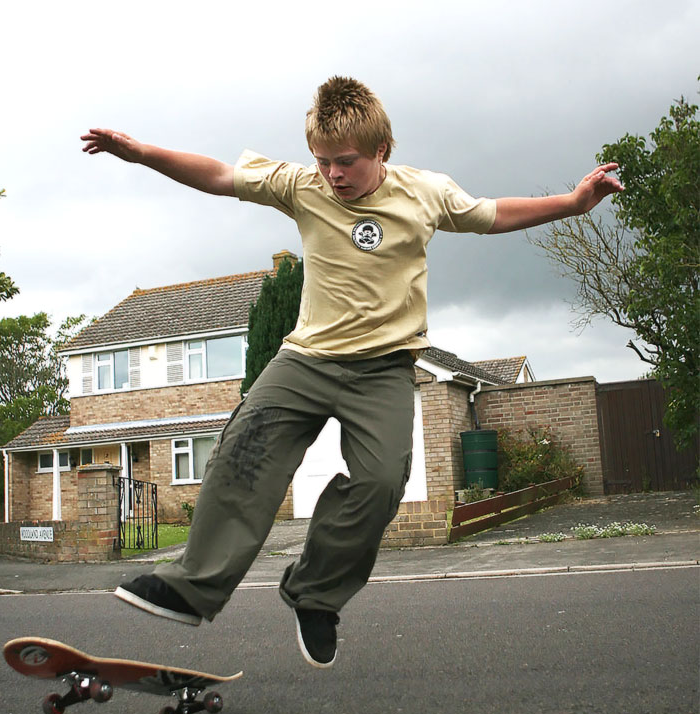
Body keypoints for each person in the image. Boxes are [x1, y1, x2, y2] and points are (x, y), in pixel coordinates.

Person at [81, 76, 622, 668]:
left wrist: (572, 204)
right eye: (323, 162)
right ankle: (190, 584)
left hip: (385, 370)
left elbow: (493, 215)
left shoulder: (426, 193)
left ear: (381, 150)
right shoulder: (301, 185)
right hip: (306, 359)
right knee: (243, 451)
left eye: (347, 162)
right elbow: (215, 175)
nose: (334, 175)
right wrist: (141, 154)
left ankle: (314, 593)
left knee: (383, 481)